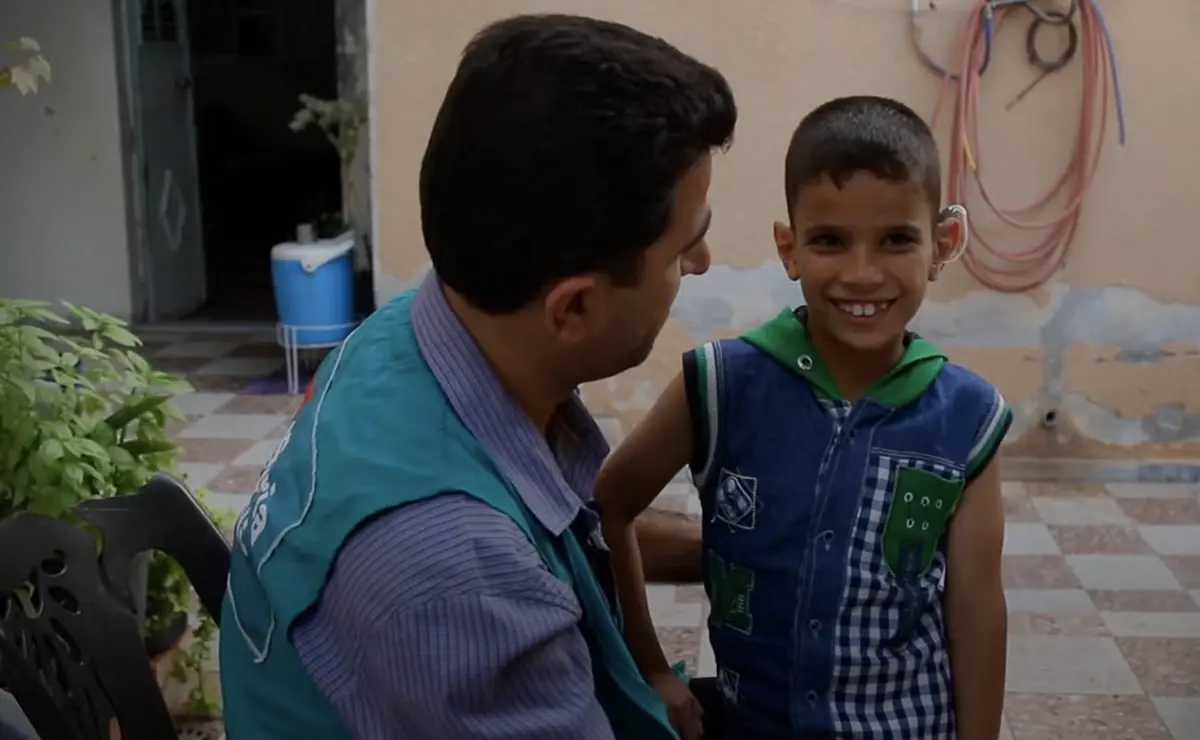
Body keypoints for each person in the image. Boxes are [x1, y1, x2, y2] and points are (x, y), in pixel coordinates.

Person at [219, 13, 737, 740]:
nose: (704, 260)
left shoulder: (407, 334)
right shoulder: (453, 570)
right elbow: (487, 565)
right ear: (575, 307)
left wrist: (753, 548)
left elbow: (563, 530)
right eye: (685, 246)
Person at [596, 95, 1011, 740]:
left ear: (942, 244)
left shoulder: (968, 418)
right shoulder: (722, 383)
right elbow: (610, 505)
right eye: (829, 241)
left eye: (897, 239)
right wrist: (647, 666)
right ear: (789, 249)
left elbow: (977, 606)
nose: (863, 273)